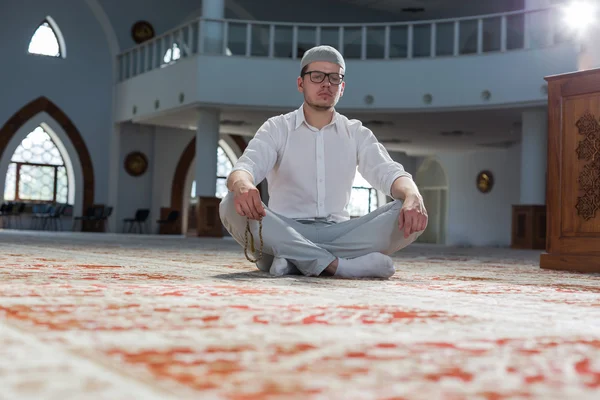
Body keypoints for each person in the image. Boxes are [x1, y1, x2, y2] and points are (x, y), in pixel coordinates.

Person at [219, 45, 427, 279]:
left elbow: (389, 173)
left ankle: (294, 260)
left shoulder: (356, 132)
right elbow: (244, 168)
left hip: (341, 234)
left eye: (334, 78)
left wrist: (412, 195)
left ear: (342, 87)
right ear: (301, 84)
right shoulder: (277, 127)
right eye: (317, 76)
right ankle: (340, 266)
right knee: (229, 203)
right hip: (285, 228)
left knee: (409, 209)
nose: (326, 84)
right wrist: (244, 185)